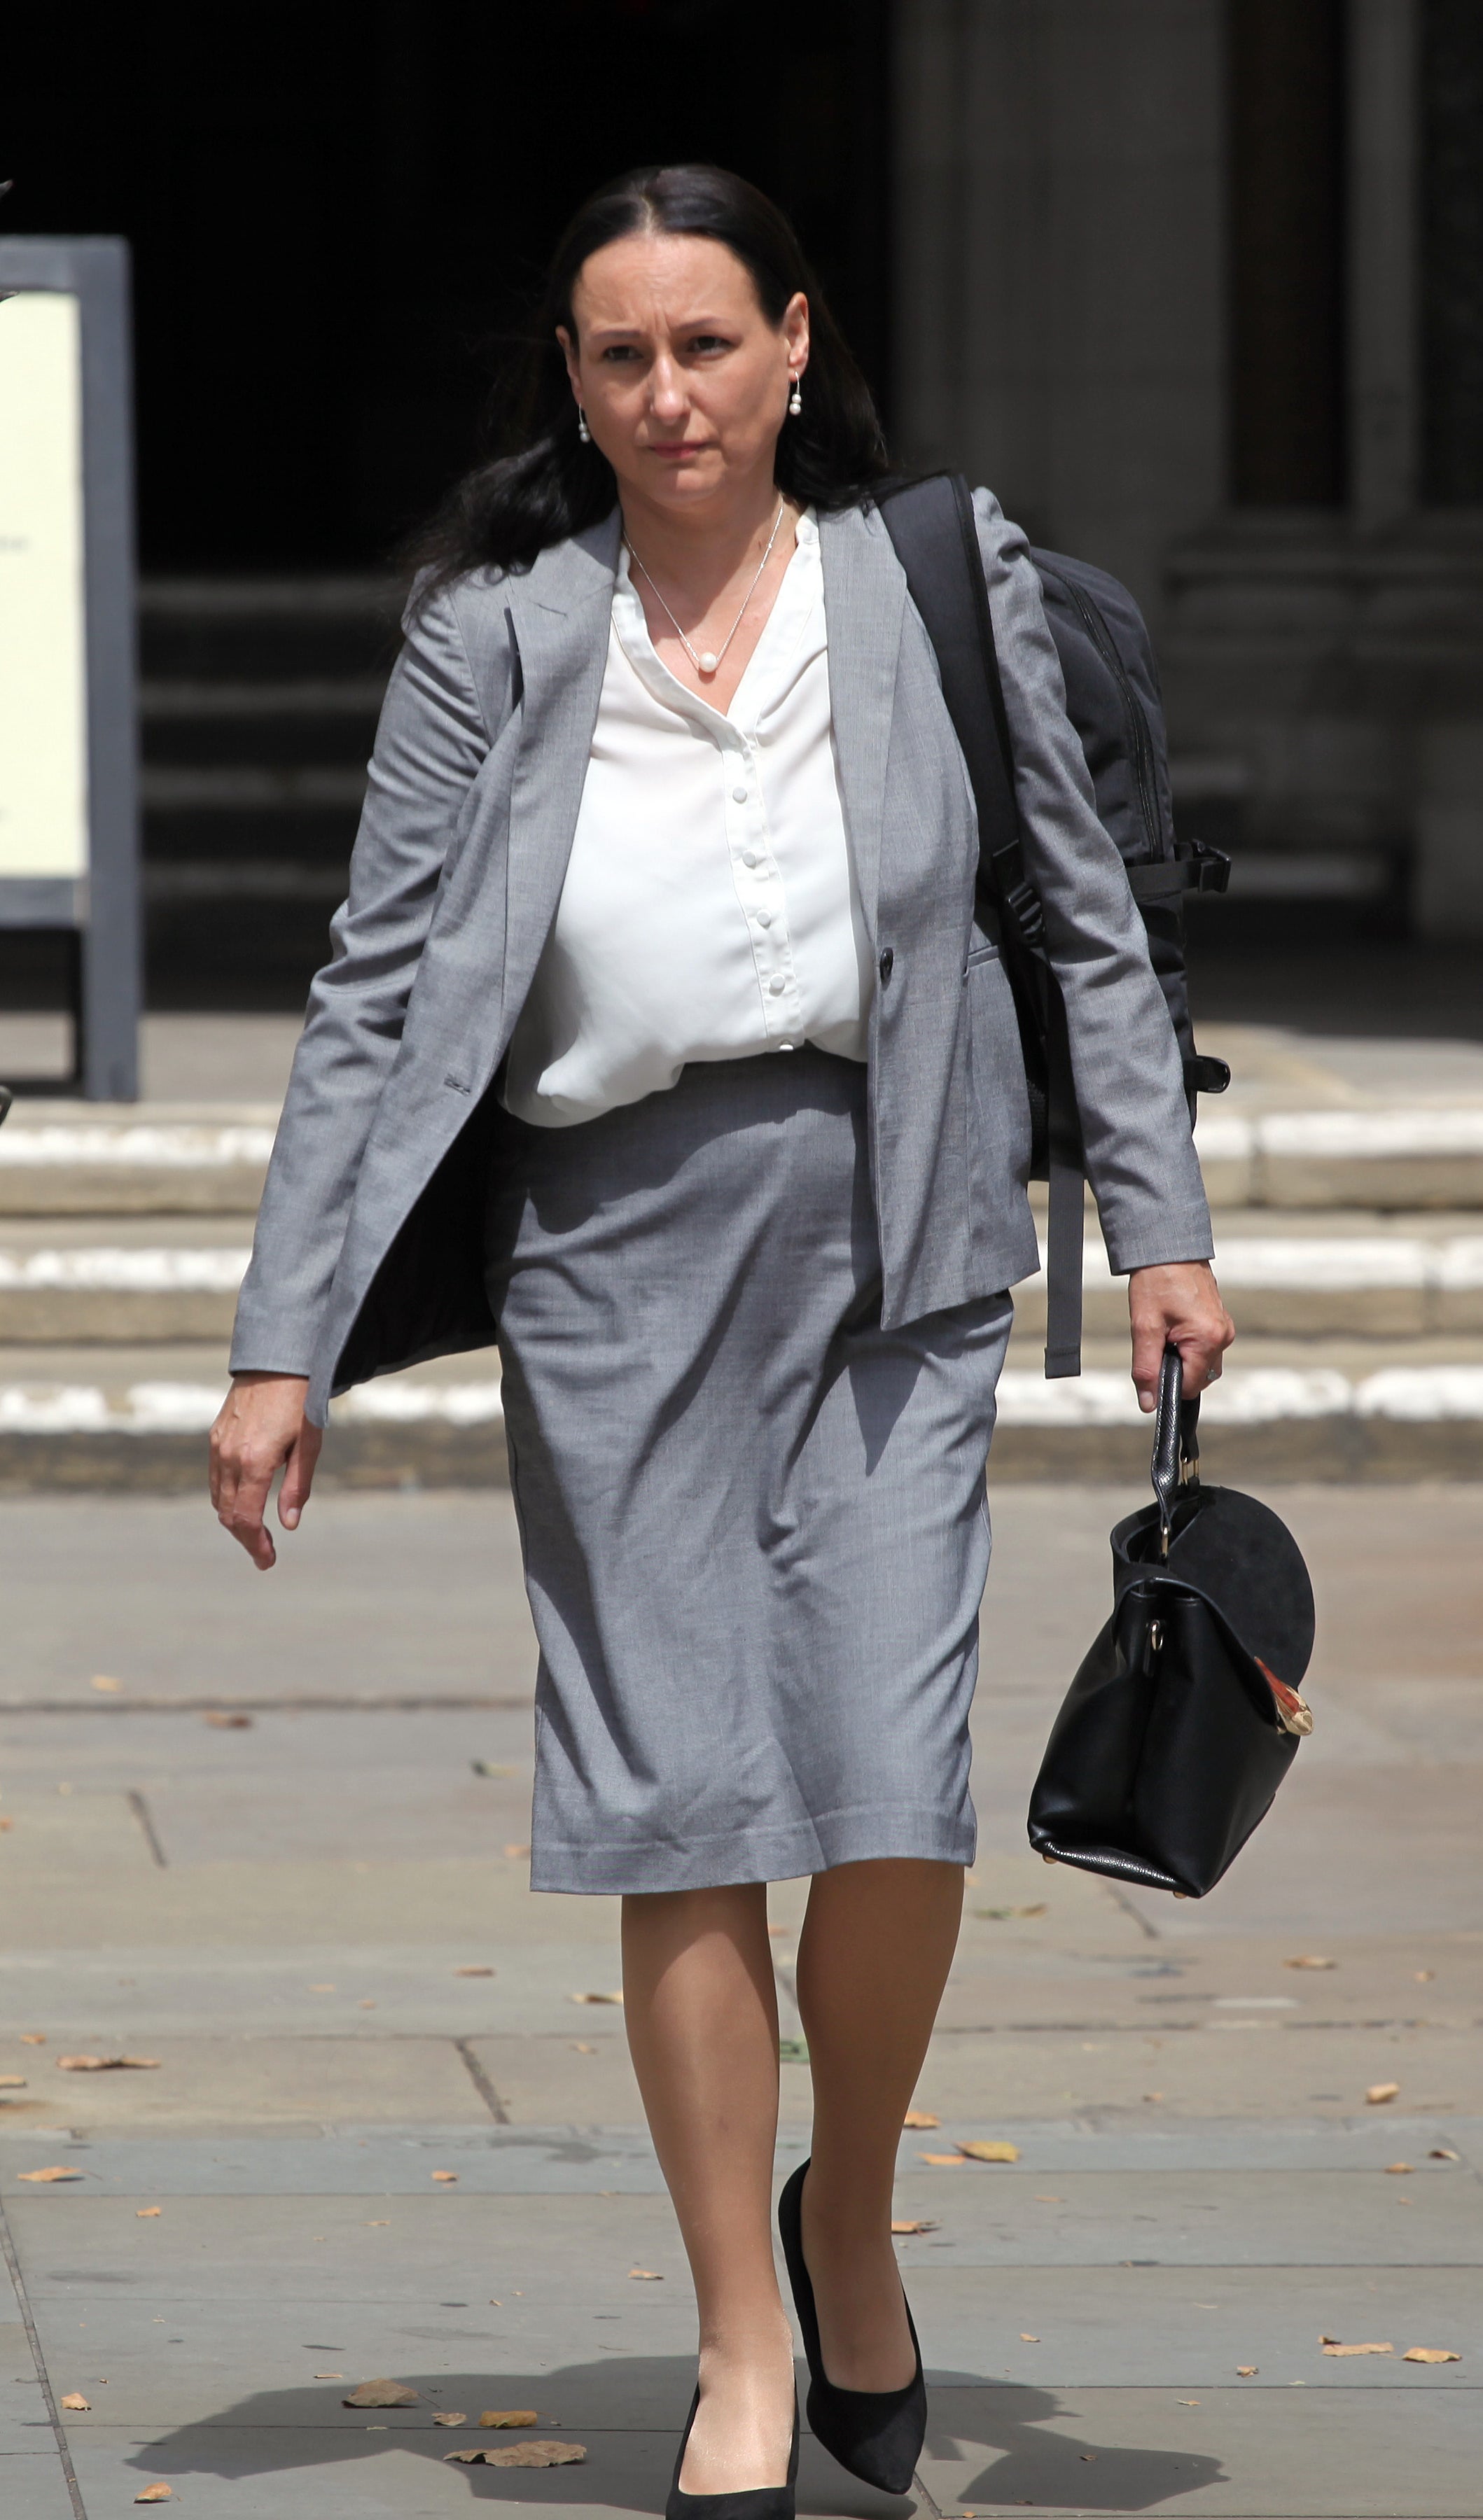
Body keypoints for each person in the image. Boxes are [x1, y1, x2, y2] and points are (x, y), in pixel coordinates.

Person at [211, 163, 1232, 2520]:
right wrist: (283, 1345)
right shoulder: (493, 633)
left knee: (887, 1789)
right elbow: (374, 992)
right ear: (572, 386)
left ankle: (848, 2212)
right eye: (618, 356)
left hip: (900, 1226)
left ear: (794, 345)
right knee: (680, 1801)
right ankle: (743, 2336)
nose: (668, 395)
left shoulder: (927, 574)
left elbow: (1079, 914)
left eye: (705, 344)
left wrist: (1159, 1226)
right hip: (608, 1253)